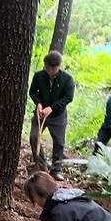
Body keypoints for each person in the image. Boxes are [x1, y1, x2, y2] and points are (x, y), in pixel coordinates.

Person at [28, 51, 75, 181]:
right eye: (47, 67)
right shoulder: (39, 76)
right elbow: (32, 91)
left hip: (58, 115)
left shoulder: (67, 79)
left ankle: (56, 170)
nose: (50, 70)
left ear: (59, 66)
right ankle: (42, 166)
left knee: (59, 142)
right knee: (34, 137)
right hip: (41, 113)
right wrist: (38, 103)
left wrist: (52, 108)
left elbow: (68, 97)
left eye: (53, 68)